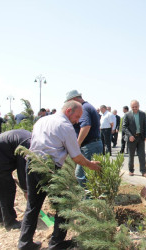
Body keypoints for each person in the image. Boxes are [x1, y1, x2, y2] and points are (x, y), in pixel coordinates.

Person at [18, 101, 101, 250]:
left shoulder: (42, 120)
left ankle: (24, 244)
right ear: (68, 111)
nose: (77, 120)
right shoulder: (66, 126)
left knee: (33, 205)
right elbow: (76, 156)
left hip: (32, 164)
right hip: (49, 168)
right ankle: (56, 243)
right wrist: (91, 165)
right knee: (64, 204)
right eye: (77, 116)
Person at [0, 129, 31, 230]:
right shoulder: (27, 144)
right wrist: (26, 190)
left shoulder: (30, 139)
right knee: (6, 187)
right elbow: (22, 169)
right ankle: (10, 222)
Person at [65, 90, 102, 187]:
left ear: (74, 99)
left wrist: (77, 144)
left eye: (69, 103)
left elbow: (86, 126)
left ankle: (87, 199)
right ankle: (92, 195)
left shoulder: (83, 108)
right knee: (90, 172)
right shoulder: (87, 106)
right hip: (93, 144)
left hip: (89, 146)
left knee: (80, 174)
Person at [123, 100, 146, 177]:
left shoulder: (143, 114)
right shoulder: (127, 115)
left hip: (140, 138)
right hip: (131, 138)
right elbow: (124, 127)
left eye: (136, 107)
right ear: (131, 107)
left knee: (142, 155)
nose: (134, 108)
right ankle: (131, 170)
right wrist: (130, 135)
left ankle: (143, 171)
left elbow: (145, 126)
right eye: (133, 107)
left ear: (139, 106)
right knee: (131, 155)